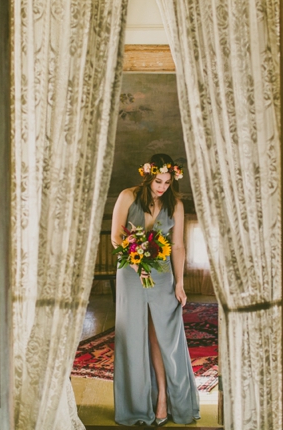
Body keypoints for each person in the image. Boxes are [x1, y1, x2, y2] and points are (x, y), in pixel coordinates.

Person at [111, 153, 201, 427]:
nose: (162, 187)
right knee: (134, 336)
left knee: (162, 337)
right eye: (158, 181)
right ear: (148, 176)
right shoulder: (127, 196)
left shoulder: (176, 204)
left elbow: (178, 246)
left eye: (166, 182)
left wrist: (180, 283)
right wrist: (138, 266)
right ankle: (139, 405)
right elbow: (117, 237)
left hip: (162, 276)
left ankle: (164, 396)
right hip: (130, 273)